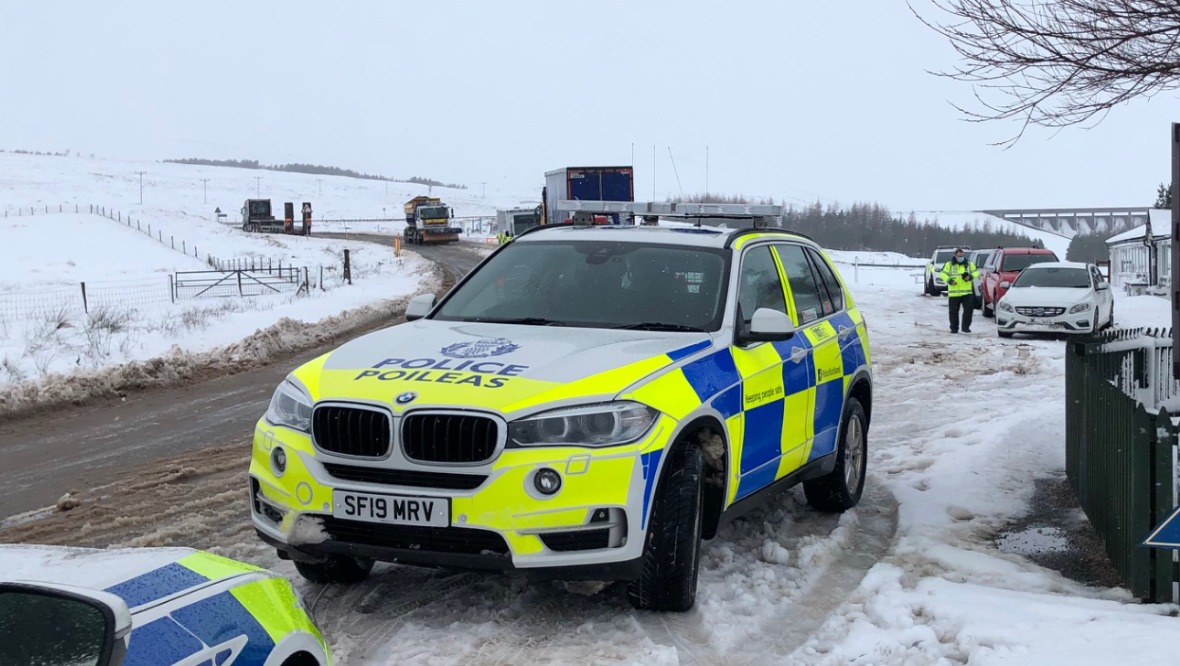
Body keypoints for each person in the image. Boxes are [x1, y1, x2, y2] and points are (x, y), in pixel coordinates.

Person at [939, 247, 980, 334]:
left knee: (968, 311)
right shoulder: (949, 265)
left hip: (967, 292)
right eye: (959, 256)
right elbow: (942, 274)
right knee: (953, 312)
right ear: (955, 256)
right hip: (954, 293)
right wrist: (949, 280)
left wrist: (970, 277)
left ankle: (966, 327)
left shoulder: (969, 264)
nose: (961, 257)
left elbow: (976, 272)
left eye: (962, 256)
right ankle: (954, 328)